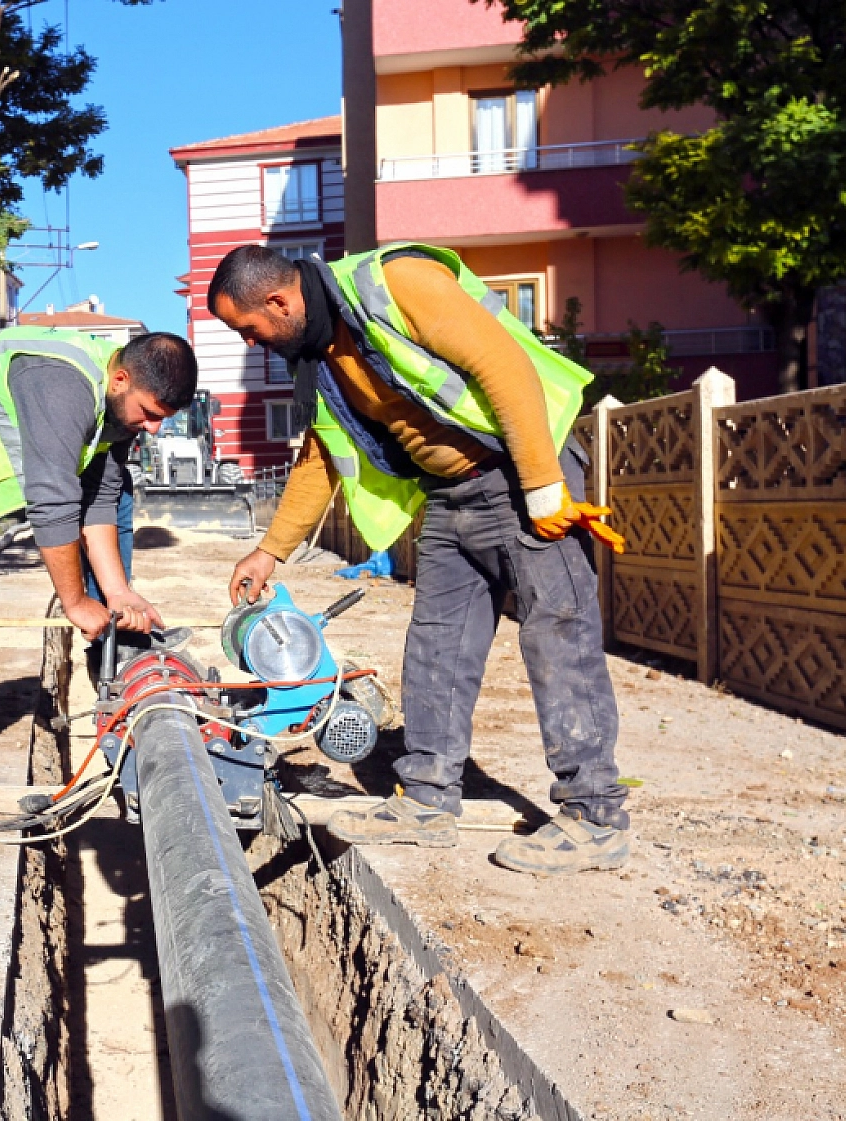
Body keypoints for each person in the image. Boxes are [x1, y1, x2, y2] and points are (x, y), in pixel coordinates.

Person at [209, 243, 629, 875]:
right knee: (436, 645)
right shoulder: (319, 356)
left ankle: (595, 817)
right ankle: (427, 801)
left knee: (558, 638)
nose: (250, 342)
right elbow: (322, 455)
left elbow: (503, 366)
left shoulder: (394, 281)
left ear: (279, 301)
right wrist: (270, 550)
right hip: (452, 497)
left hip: (520, 478)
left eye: (249, 328)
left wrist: (544, 488)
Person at [0, 326, 198, 804]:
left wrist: (116, 592)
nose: (155, 428)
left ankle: (118, 674)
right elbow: (53, 504)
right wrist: (74, 601)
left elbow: (100, 497)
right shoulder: (60, 384)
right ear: (120, 379)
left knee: (119, 497)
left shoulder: (118, 405)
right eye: (151, 414)